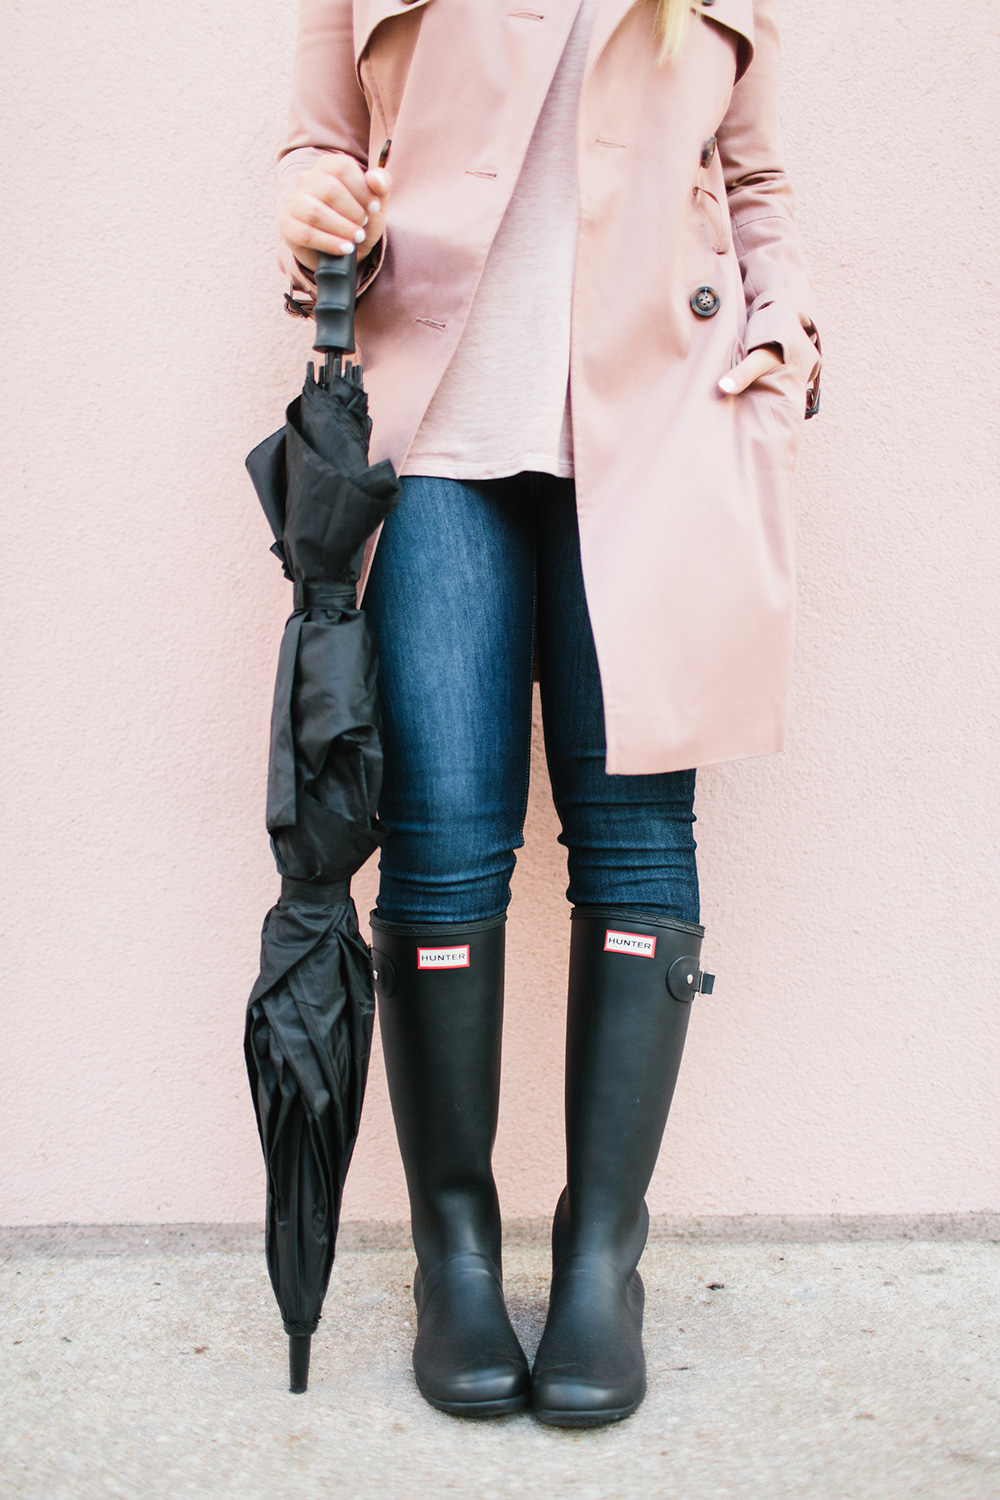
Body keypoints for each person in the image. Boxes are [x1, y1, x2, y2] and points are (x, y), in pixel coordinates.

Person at [274, 0, 820, 1427]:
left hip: (658, 441)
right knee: (444, 858)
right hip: (438, 442)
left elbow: (754, 183)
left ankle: (601, 1259)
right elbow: (317, 139)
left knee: (638, 848)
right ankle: (456, 1256)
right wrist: (306, 198)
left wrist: (789, 334)